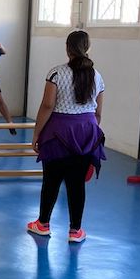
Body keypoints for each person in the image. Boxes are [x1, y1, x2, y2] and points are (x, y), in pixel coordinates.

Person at [27, 31, 106, 243]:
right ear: (87, 47)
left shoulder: (56, 73)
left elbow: (47, 105)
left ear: (67, 48)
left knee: (51, 180)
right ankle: (75, 230)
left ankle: (43, 224)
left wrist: (36, 133)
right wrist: (88, 129)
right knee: (77, 183)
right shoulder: (97, 76)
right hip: (87, 131)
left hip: (58, 132)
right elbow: (98, 112)